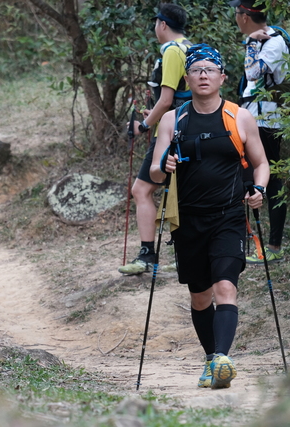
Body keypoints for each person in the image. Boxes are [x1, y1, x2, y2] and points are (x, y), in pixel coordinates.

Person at [150, 44, 269, 389]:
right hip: (187, 220)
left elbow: (261, 164)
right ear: (187, 79)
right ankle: (210, 359)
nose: (203, 75)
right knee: (200, 297)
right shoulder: (173, 120)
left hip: (228, 217)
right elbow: (155, 173)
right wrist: (164, 165)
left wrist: (259, 189)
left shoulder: (239, 117)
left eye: (210, 70)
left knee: (225, 287)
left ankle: (221, 359)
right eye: (196, 70)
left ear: (222, 77)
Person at [118, 3, 192, 275]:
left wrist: (144, 125)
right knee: (183, 192)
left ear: (163, 24)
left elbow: (167, 99)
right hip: (187, 126)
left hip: (169, 132)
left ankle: (147, 255)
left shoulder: (172, 51)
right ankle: (186, 254)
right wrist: (156, 114)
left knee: (142, 190)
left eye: (155, 24)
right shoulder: (189, 47)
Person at [230, 0, 289, 264]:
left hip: (267, 121)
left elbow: (253, 72)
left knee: (271, 179)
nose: (235, 17)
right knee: (243, 175)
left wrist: (252, 43)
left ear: (244, 16)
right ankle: (242, 240)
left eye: (236, 12)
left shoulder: (273, 42)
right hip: (253, 117)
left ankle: (273, 247)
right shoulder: (264, 39)